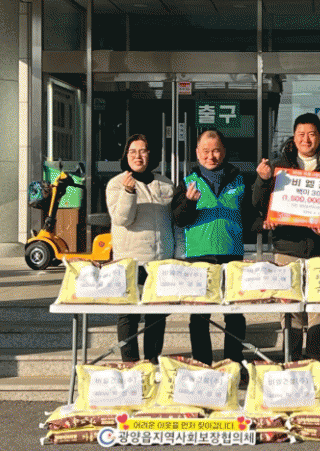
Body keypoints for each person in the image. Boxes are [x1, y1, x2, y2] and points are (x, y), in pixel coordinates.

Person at [253, 112, 320, 361]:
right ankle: (292, 362)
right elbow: (259, 204)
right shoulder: (279, 167)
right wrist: (262, 180)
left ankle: (316, 364)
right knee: (290, 309)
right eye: (301, 134)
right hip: (288, 248)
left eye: (311, 134)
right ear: (294, 137)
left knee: (319, 310)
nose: (306, 139)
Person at [171, 129, 249, 366]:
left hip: (232, 254)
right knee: (199, 316)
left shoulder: (239, 181)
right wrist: (188, 202)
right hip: (199, 256)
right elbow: (179, 219)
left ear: (224, 152)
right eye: (205, 151)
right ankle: (202, 363)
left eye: (215, 151)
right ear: (197, 152)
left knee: (234, 314)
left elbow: (251, 215)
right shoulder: (187, 183)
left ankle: (233, 362)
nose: (210, 156)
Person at [106, 134, 175, 364]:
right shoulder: (117, 183)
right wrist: (128, 193)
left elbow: (174, 221)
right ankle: (130, 364)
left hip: (160, 260)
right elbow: (121, 219)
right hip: (130, 261)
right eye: (133, 151)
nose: (138, 156)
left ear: (150, 154)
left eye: (143, 150)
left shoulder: (165, 183)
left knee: (157, 315)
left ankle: (152, 361)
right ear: (126, 156)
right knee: (129, 314)